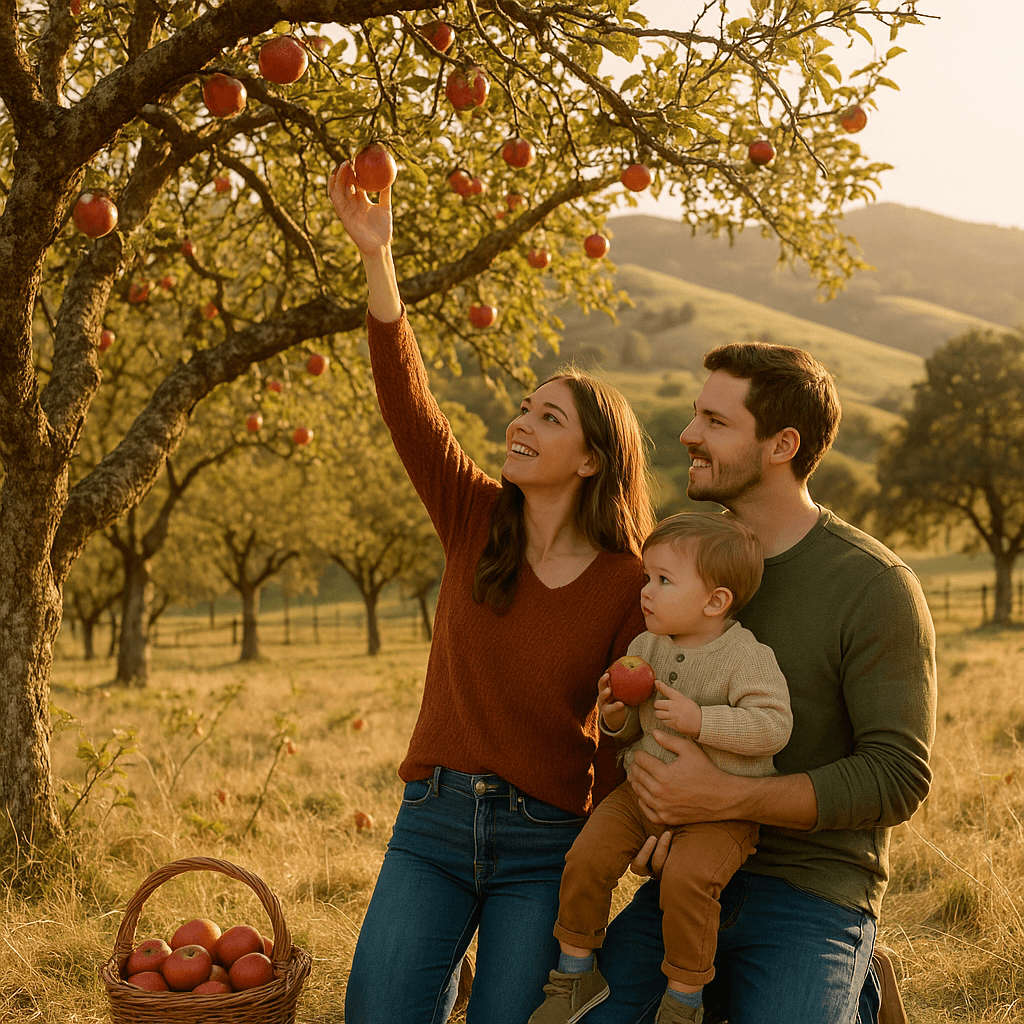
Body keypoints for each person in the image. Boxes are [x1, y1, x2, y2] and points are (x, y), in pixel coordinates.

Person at [326, 163, 656, 1024]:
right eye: (523, 406)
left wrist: (611, 846)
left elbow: (622, 725)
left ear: (592, 459)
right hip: (431, 824)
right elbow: (408, 402)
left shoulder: (630, 582)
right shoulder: (474, 516)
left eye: (550, 417)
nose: (520, 421)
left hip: (547, 843)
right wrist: (378, 259)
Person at [584, 342, 937, 1024]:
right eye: (695, 416)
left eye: (715, 422)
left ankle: (855, 980)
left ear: (782, 445)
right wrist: (652, 812)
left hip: (812, 891)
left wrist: (723, 796)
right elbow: (645, 717)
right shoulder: (677, 570)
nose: (687, 434)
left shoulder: (874, 586)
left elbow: (897, 777)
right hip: (683, 875)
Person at [528, 511, 792, 1024]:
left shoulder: (745, 657)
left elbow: (772, 726)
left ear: (716, 601)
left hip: (723, 810)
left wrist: (701, 720)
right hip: (643, 794)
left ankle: (683, 1001)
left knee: (687, 882)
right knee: (585, 856)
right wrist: (615, 717)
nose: (646, 591)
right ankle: (575, 971)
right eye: (648, 577)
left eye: (663, 581)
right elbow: (635, 730)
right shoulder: (645, 648)